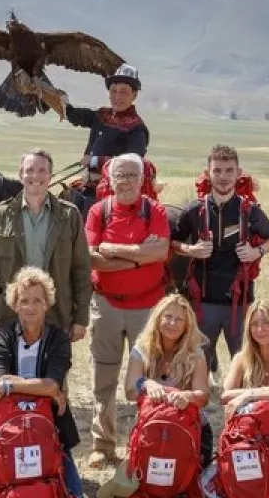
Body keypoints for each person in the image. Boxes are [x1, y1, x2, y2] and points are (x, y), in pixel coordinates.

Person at [82, 153, 170, 468]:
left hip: (147, 307)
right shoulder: (98, 211)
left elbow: (160, 252)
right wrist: (139, 256)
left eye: (133, 174)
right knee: (103, 377)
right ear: (110, 178)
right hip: (105, 304)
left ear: (142, 177)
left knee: (148, 379)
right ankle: (103, 446)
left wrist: (119, 252)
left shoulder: (154, 210)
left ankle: (146, 443)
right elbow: (92, 258)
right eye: (120, 174)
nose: (126, 180)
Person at [0, 266, 84, 498]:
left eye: (37, 301)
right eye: (24, 301)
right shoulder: (4, 334)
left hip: (50, 420)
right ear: (15, 305)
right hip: (9, 421)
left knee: (74, 492)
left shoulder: (58, 338)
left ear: (47, 304)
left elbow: (52, 384)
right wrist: (42, 388)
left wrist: (10, 386)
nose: (31, 307)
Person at [172, 144, 269, 377]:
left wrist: (256, 252)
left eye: (229, 171)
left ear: (238, 173)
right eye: (217, 170)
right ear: (207, 172)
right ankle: (199, 407)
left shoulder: (249, 210)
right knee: (196, 361)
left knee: (247, 362)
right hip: (203, 302)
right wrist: (191, 249)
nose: (223, 177)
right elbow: (173, 243)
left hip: (239, 303)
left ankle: (243, 409)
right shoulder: (194, 210)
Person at [0, 149, 91, 342]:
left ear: (50, 175)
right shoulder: (0, 215)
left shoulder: (69, 216)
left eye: (42, 170)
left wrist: (81, 319)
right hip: (11, 314)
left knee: (53, 372)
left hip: (57, 314)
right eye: (29, 170)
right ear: (20, 175)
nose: (35, 176)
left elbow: (81, 270)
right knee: (10, 372)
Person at [123, 294, 213, 466]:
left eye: (179, 319)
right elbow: (129, 392)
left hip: (190, 426)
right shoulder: (141, 349)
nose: (173, 323)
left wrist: (187, 396)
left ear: (187, 325)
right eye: (168, 317)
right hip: (152, 424)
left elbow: (203, 396)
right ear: (157, 319)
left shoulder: (195, 353)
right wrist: (147, 383)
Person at [64, 64, 151, 200]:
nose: (117, 96)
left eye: (123, 92)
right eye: (113, 91)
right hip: (88, 184)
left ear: (134, 95)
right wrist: (55, 99)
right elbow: (74, 115)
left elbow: (131, 164)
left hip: (112, 193)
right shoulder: (102, 116)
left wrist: (93, 161)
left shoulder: (136, 130)